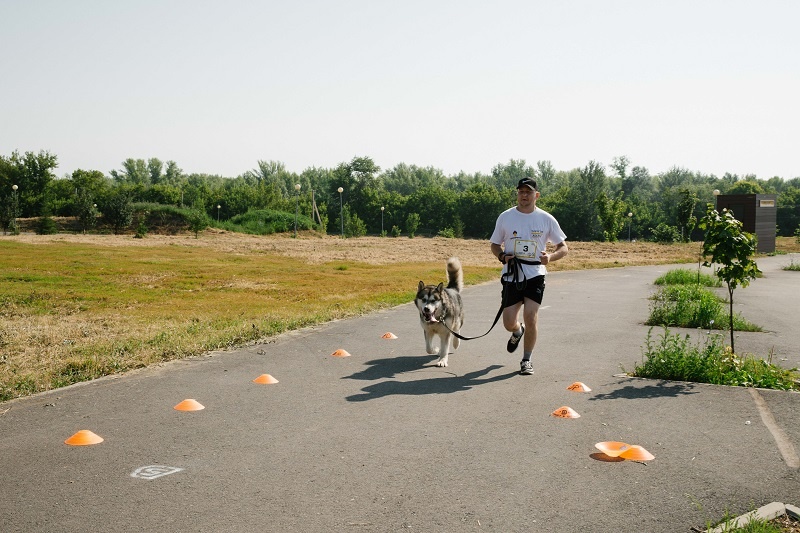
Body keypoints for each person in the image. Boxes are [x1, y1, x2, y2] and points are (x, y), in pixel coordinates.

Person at [489, 177, 568, 375]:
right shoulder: (505, 217)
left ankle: (526, 360)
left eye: (528, 192)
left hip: (535, 274)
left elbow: (563, 247)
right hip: (512, 275)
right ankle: (517, 330)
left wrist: (550, 256)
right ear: (517, 194)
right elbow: (494, 244)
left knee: (531, 316)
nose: (524, 195)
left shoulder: (546, 219)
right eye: (521, 192)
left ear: (536, 195)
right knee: (508, 322)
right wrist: (501, 255)